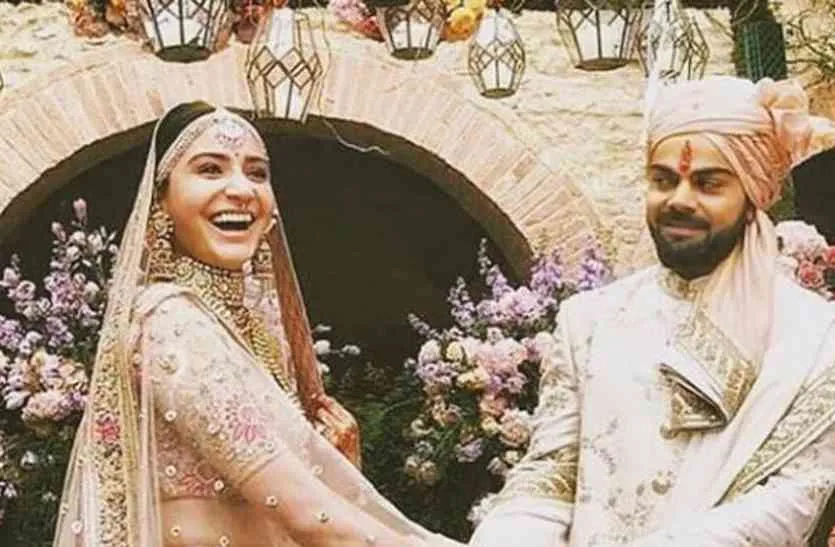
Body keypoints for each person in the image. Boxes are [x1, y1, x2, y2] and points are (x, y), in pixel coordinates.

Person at [52, 102, 462, 547]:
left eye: (257, 173)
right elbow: (310, 517)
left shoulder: (254, 334)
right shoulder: (171, 322)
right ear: (161, 203)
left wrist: (336, 467)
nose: (241, 189)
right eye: (210, 169)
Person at [469, 76, 835, 546]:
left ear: (754, 194)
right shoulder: (589, 321)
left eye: (708, 183)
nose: (679, 199)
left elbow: (794, 499)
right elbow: (551, 474)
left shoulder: (816, 338)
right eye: (663, 180)